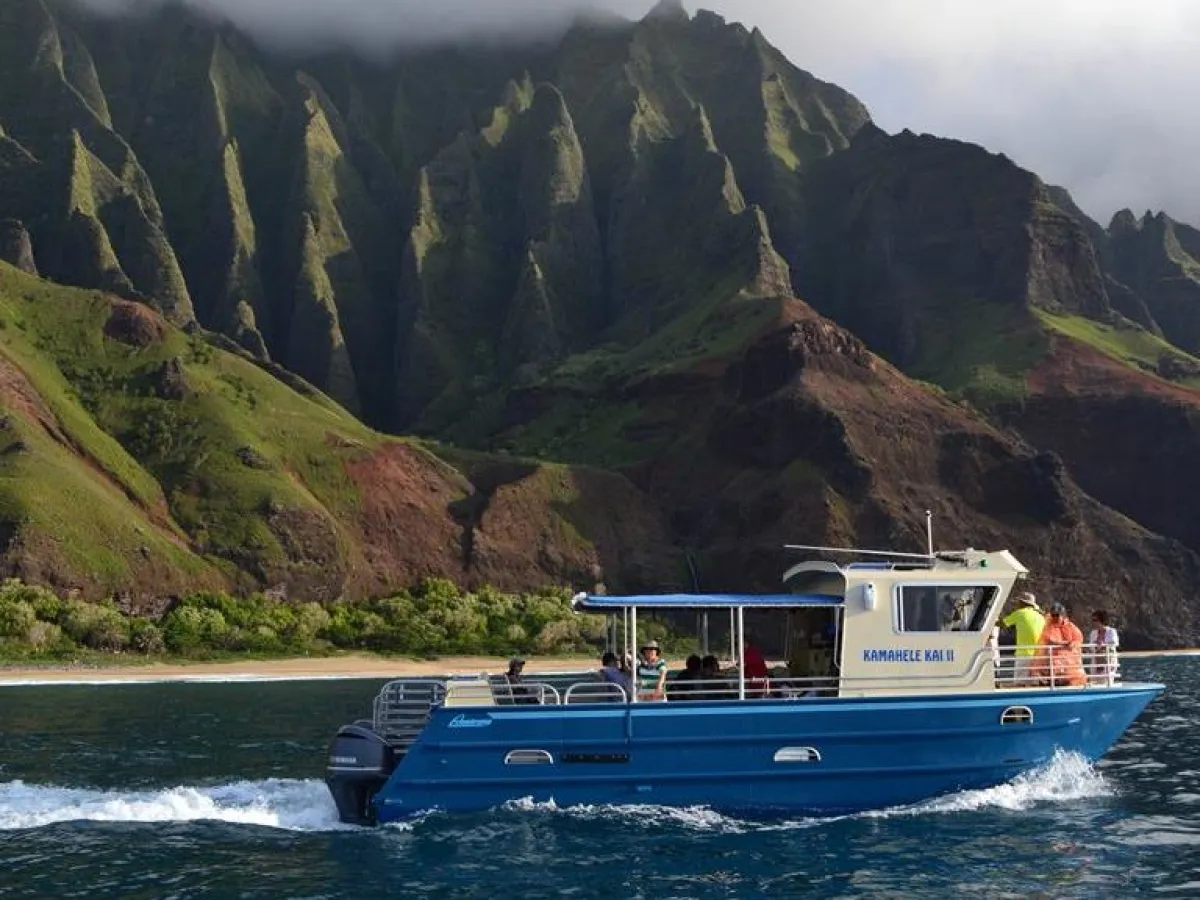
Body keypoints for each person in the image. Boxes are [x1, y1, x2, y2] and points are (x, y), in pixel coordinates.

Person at [1033, 603, 1087, 687]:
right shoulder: (1048, 628)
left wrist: (1064, 644)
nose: (1054, 617)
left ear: (1063, 615)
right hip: (1052, 665)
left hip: (1069, 667)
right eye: (1053, 615)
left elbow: (1076, 642)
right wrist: (1064, 644)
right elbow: (1048, 641)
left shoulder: (1072, 628)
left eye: (1057, 615)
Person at [1002, 592, 1046, 686]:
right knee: (1034, 684)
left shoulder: (1020, 613)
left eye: (1018, 602)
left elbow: (1003, 624)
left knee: (1019, 683)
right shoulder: (1040, 616)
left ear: (1023, 603)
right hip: (1039, 655)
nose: (1016, 604)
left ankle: (1019, 701)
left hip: (1024, 654)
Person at [1088, 610, 1121, 685]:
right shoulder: (1093, 633)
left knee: (1107, 681)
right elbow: (1091, 647)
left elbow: (1114, 643)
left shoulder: (1111, 631)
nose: (1093, 622)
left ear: (1102, 620)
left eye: (1095, 620)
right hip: (1096, 660)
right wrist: (1096, 646)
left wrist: (1103, 644)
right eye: (1092, 620)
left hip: (1108, 660)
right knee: (1094, 681)